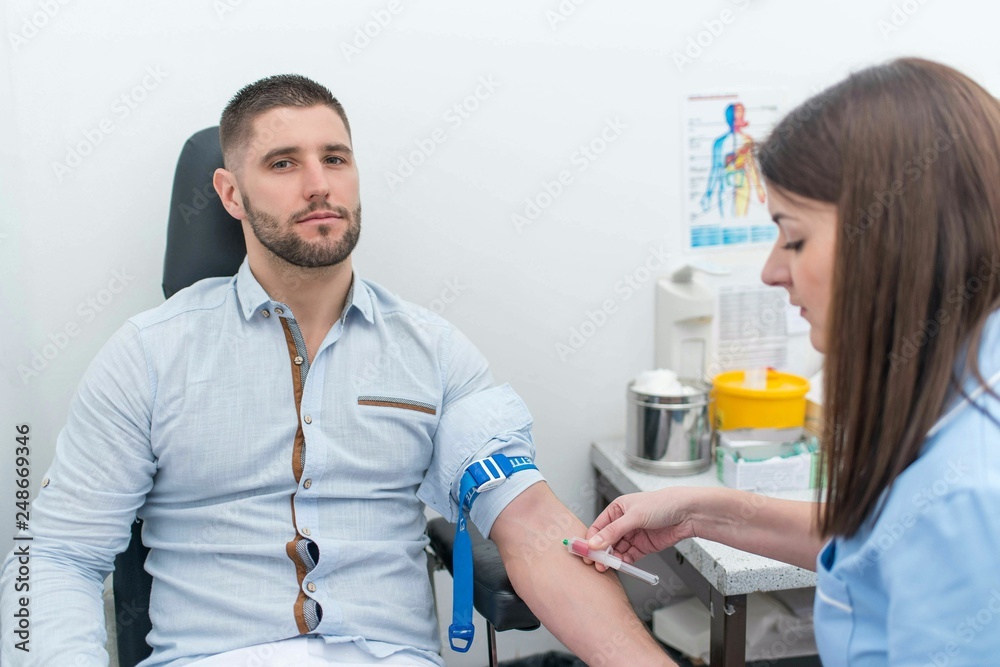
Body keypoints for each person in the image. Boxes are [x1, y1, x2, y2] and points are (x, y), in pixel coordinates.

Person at [0, 75, 674, 667]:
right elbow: (51, 556)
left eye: (335, 158)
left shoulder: (434, 352)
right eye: (284, 162)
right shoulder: (146, 355)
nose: (319, 183)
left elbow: (531, 526)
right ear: (230, 194)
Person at [588, 58, 1000, 665]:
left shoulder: (969, 494)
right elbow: (882, 545)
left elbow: (935, 530)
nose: (772, 271)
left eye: (795, 237)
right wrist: (699, 511)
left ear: (892, 236)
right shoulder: (961, 380)